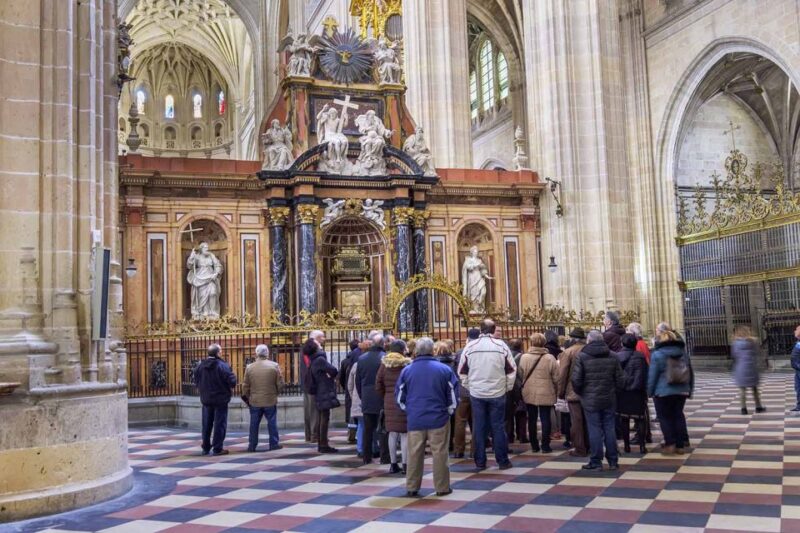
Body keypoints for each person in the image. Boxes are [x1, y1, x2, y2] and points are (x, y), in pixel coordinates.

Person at [396, 337, 459, 497]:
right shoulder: (444, 369)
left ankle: (412, 487)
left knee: (414, 454)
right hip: (439, 418)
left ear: (416, 351)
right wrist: (449, 411)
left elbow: (400, 396)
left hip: (415, 418)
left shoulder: (407, 370)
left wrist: (409, 410)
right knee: (440, 454)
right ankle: (442, 488)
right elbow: (452, 394)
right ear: (432, 350)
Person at [457, 319, 517, 470]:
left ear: (481, 329)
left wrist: (470, 386)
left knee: (479, 426)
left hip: (477, 392)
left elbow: (462, 371)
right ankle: (502, 461)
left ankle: (480, 461)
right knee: (498, 426)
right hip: (497, 391)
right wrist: (507, 387)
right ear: (493, 329)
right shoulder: (501, 345)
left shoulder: (470, 346)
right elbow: (511, 369)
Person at [572, 330, 625, 471]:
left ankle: (596, 461)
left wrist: (582, 393)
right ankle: (613, 461)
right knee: (609, 428)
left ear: (589, 341)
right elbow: (620, 379)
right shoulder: (613, 355)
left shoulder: (582, 356)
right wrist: (614, 392)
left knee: (594, 428)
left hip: (590, 399)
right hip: (609, 397)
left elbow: (576, 380)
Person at [647, 323, 694, 455]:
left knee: (664, 417)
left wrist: (650, 391)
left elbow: (653, 375)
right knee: (678, 415)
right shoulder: (683, 353)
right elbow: (690, 372)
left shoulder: (657, 354)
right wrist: (690, 389)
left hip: (663, 392)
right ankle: (680, 445)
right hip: (681, 390)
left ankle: (670, 443)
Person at [518, 333, 559, 453]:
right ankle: (545, 445)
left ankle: (534, 444)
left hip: (529, 390)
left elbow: (520, 374)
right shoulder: (550, 358)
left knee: (532, 418)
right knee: (546, 418)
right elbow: (556, 377)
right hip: (546, 390)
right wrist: (555, 389)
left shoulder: (524, 357)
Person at [194, 344, 237, 456]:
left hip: (206, 399)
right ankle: (217, 448)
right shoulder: (222, 365)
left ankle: (205, 447)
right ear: (218, 353)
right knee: (220, 424)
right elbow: (232, 382)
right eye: (221, 351)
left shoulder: (200, 365)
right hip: (220, 399)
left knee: (206, 424)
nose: (221, 353)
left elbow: (196, 380)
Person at [376, 340, 411, 474]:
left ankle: (393, 464)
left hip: (389, 400)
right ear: (402, 350)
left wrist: (386, 395)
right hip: (404, 401)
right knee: (404, 433)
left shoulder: (384, 364)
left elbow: (378, 384)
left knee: (392, 433)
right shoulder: (406, 364)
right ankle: (405, 465)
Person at [242, 344, 283, 452]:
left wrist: (248, 397)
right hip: (270, 400)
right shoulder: (274, 366)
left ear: (256, 353)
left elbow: (245, 386)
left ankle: (252, 445)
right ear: (267, 353)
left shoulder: (249, 367)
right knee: (272, 423)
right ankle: (274, 444)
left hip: (255, 401)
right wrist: (276, 393)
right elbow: (280, 384)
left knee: (254, 424)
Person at [614, 334, 648, 454]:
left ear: (622, 343)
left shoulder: (617, 356)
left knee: (624, 419)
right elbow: (645, 374)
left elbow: (616, 375)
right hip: (638, 391)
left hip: (623, 392)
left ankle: (627, 446)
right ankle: (642, 446)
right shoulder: (640, 356)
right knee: (640, 419)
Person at [558, 328, 588, 456]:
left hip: (573, 391)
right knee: (588, 420)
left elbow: (562, 374)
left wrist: (560, 392)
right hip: (589, 391)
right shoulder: (588, 350)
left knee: (576, 421)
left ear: (573, 339)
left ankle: (580, 448)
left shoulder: (568, 352)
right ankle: (589, 445)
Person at [357, 332, 386, 464]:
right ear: (382, 344)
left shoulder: (362, 358)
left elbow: (358, 381)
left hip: (367, 396)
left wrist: (362, 395)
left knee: (368, 429)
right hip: (382, 396)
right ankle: (384, 457)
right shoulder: (385, 358)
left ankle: (366, 457)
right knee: (383, 429)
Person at [306, 339, 339, 453]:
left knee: (322, 417)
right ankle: (324, 444)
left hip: (319, 390)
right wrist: (329, 375)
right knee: (324, 418)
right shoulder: (320, 359)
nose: (320, 344)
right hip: (324, 390)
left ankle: (322, 444)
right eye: (318, 343)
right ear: (315, 347)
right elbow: (333, 370)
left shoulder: (313, 359)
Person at [452, 328, 480, 458]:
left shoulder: (459, 352)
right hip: (476, 390)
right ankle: (475, 450)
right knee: (476, 421)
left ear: (467, 339)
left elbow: (454, 373)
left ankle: (459, 450)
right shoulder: (481, 351)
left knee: (460, 421)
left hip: (462, 390)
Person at [626, 322, 653, 444]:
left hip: (639, 382)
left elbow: (638, 365)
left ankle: (643, 435)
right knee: (642, 409)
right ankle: (644, 433)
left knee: (641, 410)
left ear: (632, 333)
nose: (626, 332)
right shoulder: (642, 343)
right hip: (642, 381)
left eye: (628, 330)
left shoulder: (638, 345)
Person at [731, 325, 765, 415]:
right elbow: (757, 352)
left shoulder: (735, 343)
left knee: (742, 389)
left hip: (741, 368)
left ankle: (743, 409)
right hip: (751, 367)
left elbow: (734, 354)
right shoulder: (753, 342)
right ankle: (758, 407)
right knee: (754, 389)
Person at [301, 331, 324, 443]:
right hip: (312, 384)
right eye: (322, 337)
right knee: (313, 411)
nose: (324, 339)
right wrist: (320, 350)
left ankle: (309, 435)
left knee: (308, 411)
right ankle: (314, 435)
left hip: (306, 384)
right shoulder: (312, 349)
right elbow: (311, 365)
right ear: (316, 338)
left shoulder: (305, 348)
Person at [506, 338, 528, 444]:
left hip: (508, 386)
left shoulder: (505, 356)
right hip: (520, 386)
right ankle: (522, 436)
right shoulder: (523, 357)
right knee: (522, 411)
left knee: (508, 413)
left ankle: (509, 435)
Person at [340, 339, 362, 443]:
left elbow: (341, 378)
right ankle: (356, 436)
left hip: (350, 392)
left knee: (352, 416)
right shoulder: (358, 361)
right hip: (357, 392)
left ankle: (351, 435)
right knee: (358, 417)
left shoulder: (345, 361)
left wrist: (347, 389)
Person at [792, 325, 800, 412]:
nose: (794, 331)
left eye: (796, 330)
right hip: (797, 369)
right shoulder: (798, 342)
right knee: (798, 388)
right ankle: (799, 406)